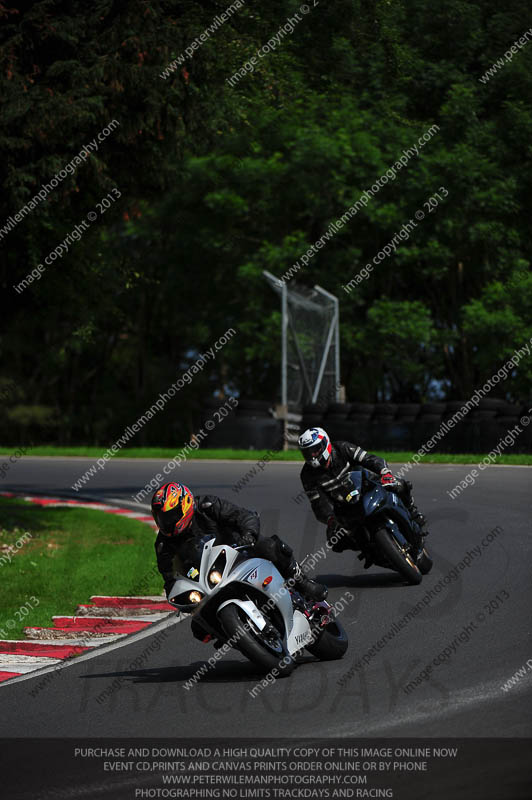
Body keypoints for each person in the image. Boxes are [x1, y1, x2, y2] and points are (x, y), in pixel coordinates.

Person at [151, 482, 327, 607]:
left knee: (269, 546)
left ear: (186, 505)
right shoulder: (163, 545)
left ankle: (302, 582)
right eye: (162, 518)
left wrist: (248, 535)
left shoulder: (207, 506)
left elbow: (243, 516)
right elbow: (170, 580)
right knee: (198, 628)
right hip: (208, 580)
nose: (167, 522)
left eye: (171, 516)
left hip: (238, 552)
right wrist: (180, 595)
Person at [298, 427, 428, 555]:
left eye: (315, 450)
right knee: (335, 541)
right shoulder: (307, 475)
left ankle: (413, 512)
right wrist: (330, 519)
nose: (312, 455)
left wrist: (385, 473)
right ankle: (369, 551)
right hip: (344, 507)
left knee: (400, 484)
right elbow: (318, 504)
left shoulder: (343, 448)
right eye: (307, 452)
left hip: (367, 485)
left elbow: (369, 459)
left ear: (325, 443)